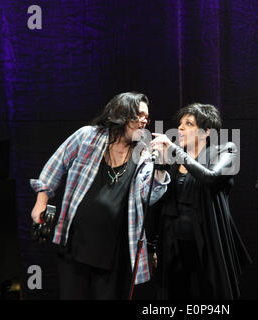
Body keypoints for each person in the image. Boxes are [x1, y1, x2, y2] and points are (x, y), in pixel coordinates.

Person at [29, 92, 170, 299]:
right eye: (139, 115)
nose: (144, 121)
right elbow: (56, 164)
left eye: (146, 117)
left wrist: (162, 166)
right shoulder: (88, 136)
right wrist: (41, 201)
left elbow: (149, 195)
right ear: (122, 112)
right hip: (75, 244)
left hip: (112, 252)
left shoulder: (143, 154)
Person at [149, 103, 252, 300]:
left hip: (206, 243)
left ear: (206, 132)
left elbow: (210, 177)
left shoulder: (226, 151)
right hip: (172, 246)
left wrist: (174, 149)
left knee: (209, 295)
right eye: (180, 123)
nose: (180, 128)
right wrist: (152, 245)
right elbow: (158, 202)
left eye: (188, 123)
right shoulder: (175, 160)